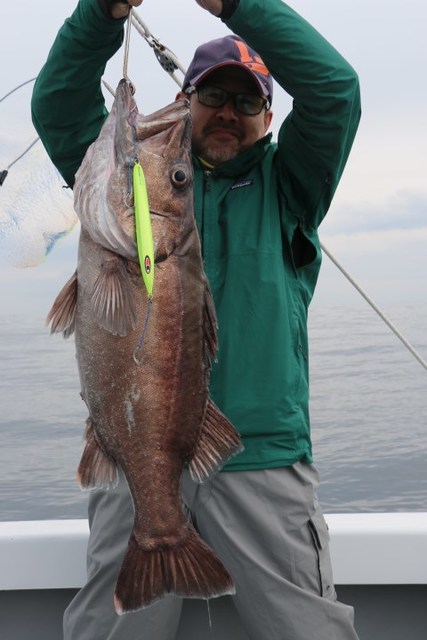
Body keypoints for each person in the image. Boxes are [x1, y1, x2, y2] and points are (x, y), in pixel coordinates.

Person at [31, 0, 361, 638]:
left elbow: (336, 90)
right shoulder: (129, 180)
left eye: (248, 103)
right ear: (187, 100)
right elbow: (58, 102)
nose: (229, 114)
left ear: (270, 116)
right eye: (215, 96)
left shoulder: (291, 186)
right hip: (134, 460)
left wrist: (240, 7)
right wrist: (100, 15)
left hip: (261, 458)